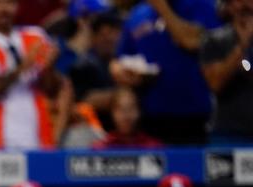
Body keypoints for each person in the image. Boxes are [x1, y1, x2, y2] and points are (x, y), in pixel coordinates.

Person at [0, 0, 68, 150]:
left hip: (38, 137)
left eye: (10, 3)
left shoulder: (36, 36)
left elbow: (52, 90)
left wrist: (49, 68)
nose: (4, 8)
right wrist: (21, 68)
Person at [111, 0, 221, 145]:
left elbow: (192, 41)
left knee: (189, 165)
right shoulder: (138, 14)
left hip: (193, 115)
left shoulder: (200, 6)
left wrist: (162, 8)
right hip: (149, 115)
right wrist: (120, 71)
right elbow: (120, 58)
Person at [199, 0, 253, 143]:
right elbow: (215, 83)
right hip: (228, 134)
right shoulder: (214, 40)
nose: (245, 4)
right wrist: (242, 45)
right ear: (228, 6)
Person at [93, 84, 162, 147]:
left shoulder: (154, 147)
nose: (126, 116)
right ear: (112, 113)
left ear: (140, 111)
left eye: (131, 108)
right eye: (120, 109)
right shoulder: (101, 147)